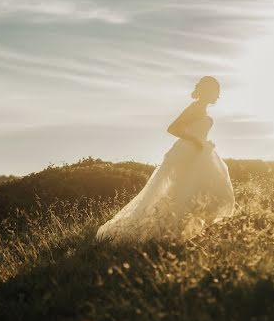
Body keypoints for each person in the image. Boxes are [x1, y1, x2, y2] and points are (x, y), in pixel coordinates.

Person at [96, 76, 234, 241]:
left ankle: (192, 233)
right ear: (208, 91)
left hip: (200, 154)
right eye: (216, 91)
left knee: (210, 192)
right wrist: (195, 140)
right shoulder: (195, 108)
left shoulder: (202, 109)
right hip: (188, 154)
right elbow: (173, 128)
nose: (217, 96)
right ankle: (173, 234)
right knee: (182, 193)